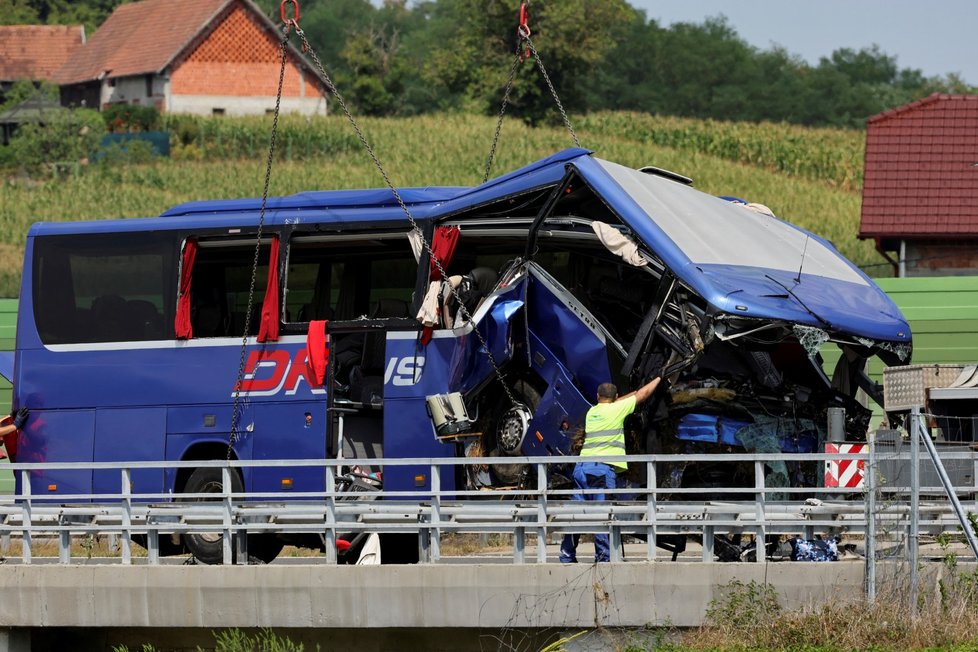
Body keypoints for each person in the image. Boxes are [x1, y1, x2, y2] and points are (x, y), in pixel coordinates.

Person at [560, 376, 661, 563]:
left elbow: (623, 400)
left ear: (598, 396)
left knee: (575, 515)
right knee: (602, 514)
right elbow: (642, 395)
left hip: (581, 469)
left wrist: (624, 398)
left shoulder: (592, 412)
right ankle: (604, 557)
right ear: (616, 398)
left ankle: (566, 555)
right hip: (600, 471)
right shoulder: (616, 410)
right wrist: (660, 378)